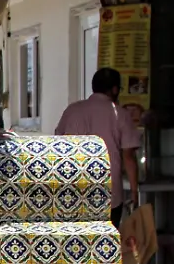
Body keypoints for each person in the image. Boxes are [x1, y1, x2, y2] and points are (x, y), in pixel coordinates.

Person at [55, 68, 141, 225]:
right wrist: (135, 191)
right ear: (115, 89)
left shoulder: (72, 110)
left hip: (73, 188)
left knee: (76, 237)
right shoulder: (120, 114)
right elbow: (128, 157)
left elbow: (57, 146)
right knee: (107, 238)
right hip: (110, 193)